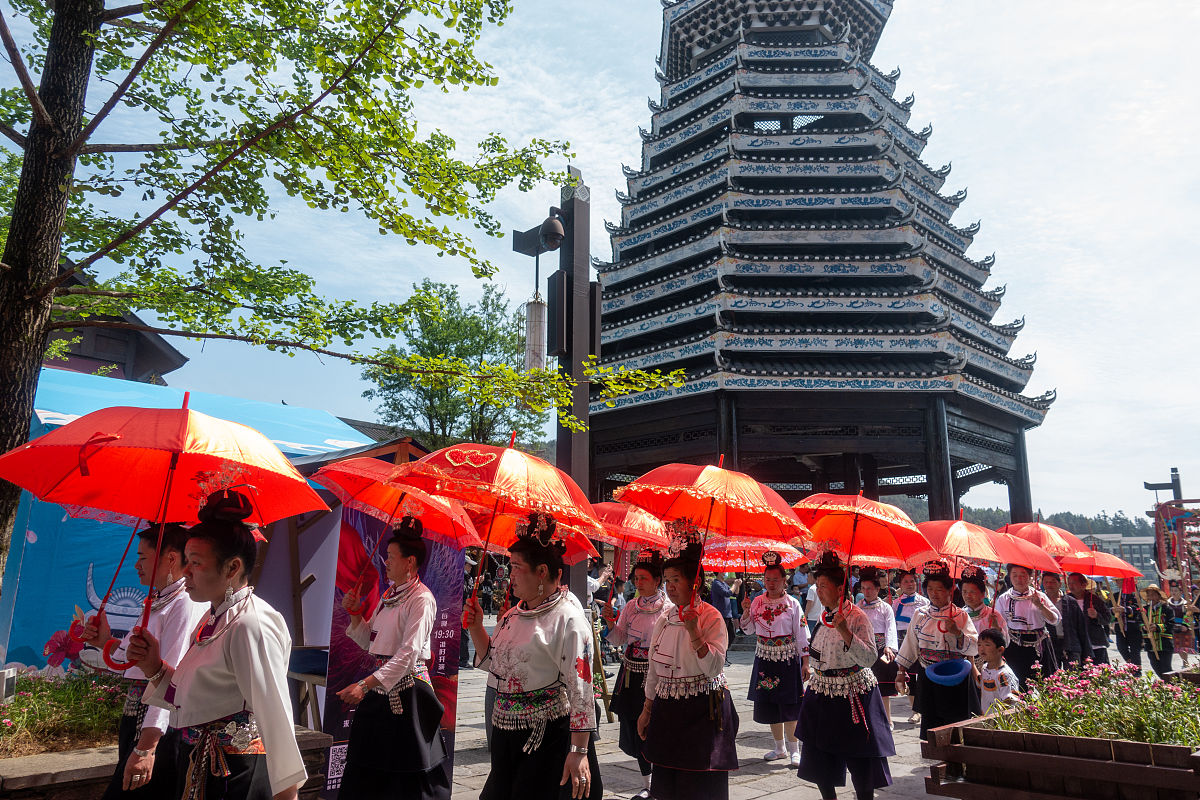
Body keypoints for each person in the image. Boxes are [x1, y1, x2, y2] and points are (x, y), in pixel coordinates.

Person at [126, 490, 306, 800]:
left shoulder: (252, 624)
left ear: (232, 568)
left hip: (237, 775)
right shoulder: (215, 617)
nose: (185, 572)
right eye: (187, 561)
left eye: (195, 563)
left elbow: (275, 718)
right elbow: (198, 695)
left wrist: (287, 794)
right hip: (206, 765)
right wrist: (154, 666)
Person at [463, 513, 600, 800]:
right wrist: (476, 627)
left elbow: (581, 691)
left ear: (542, 572)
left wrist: (579, 751)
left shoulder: (569, 621)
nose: (509, 575)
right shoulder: (513, 615)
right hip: (506, 734)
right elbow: (494, 663)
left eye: (516, 567)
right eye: (510, 566)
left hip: (545, 736)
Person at [80, 523, 206, 799]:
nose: (137, 565)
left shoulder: (184, 602)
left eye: (143, 557)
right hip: (138, 717)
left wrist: (147, 746)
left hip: (157, 724)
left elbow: (169, 679)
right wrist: (104, 641)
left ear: (171, 558)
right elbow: (132, 661)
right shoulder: (159, 599)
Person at [336, 517, 449, 799]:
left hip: (407, 694)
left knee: (406, 776)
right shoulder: (389, 595)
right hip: (379, 687)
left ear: (409, 562)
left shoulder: (422, 599)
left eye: (391, 557)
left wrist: (363, 685)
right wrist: (354, 613)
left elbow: (409, 654)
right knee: (367, 767)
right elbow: (370, 642)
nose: (386, 562)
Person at [637, 529, 739, 800]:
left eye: (676, 579)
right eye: (667, 580)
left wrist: (695, 632)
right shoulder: (665, 618)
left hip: (703, 710)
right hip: (668, 709)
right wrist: (647, 709)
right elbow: (654, 669)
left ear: (695, 582)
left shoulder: (712, 618)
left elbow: (714, 668)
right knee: (668, 785)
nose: (669, 586)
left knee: (698, 787)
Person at [795, 551, 895, 800]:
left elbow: (870, 658)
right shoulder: (822, 617)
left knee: (860, 757)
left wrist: (845, 631)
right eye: (817, 585)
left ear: (840, 588)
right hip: (823, 691)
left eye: (824, 586)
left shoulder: (857, 617)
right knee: (818, 756)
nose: (819, 591)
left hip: (853, 692)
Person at [601, 549, 672, 800]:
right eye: (636, 578)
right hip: (631, 674)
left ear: (657, 580)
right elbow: (620, 639)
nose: (638, 583)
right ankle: (647, 783)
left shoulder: (669, 607)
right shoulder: (631, 606)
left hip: (659, 675)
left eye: (643, 578)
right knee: (634, 725)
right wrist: (610, 623)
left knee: (657, 727)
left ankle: (663, 781)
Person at [895, 560, 979, 741]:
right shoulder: (920, 614)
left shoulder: (960, 615)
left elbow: (974, 648)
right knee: (932, 726)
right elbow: (910, 643)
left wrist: (957, 632)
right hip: (928, 675)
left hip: (955, 677)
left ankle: (955, 764)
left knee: (955, 726)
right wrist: (901, 672)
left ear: (950, 591)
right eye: (930, 589)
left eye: (939, 589)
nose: (934, 594)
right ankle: (936, 763)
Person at [740, 552, 809, 766]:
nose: (770, 584)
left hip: (787, 657)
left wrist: (805, 661)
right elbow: (749, 630)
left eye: (775, 580)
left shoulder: (793, 604)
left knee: (790, 705)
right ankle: (779, 748)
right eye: (767, 579)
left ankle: (794, 749)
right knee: (770, 704)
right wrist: (744, 613)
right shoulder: (757, 602)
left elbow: (801, 632)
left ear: (784, 581)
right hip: (765, 658)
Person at [993, 564, 1059, 689]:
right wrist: (995, 624)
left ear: (1030, 577)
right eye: (1015, 575)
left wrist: (1040, 606)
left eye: (1023, 575)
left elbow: (1054, 620)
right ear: (1010, 578)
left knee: (1042, 682)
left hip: (1039, 645)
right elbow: (999, 626)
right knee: (1016, 682)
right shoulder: (1003, 599)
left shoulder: (1040, 596)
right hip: (1013, 645)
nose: (1019, 579)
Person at [855, 568, 898, 730]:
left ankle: (888, 719)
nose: (866, 592)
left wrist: (889, 646)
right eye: (863, 588)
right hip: (862, 651)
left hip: (881, 650)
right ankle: (865, 718)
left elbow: (890, 628)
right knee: (862, 686)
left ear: (878, 589)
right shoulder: (857, 607)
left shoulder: (885, 607)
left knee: (882, 687)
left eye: (870, 588)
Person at [891, 570, 929, 724]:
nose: (909, 584)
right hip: (902, 641)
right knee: (910, 676)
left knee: (923, 674)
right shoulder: (895, 603)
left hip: (920, 641)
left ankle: (924, 708)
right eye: (905, 581)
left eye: (912, 581)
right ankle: (915, 710)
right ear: (900, 585)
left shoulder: (924, 602)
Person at [1041, 572, 1086, 667]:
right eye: (1046, 582)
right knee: (1052, 677)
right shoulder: (1039, 602)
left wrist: (1086, 652)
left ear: (1060, 584)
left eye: (1053, 582)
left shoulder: (1070, 601)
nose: (1049, 585)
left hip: (1070, 644)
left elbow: (1081, 627)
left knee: (1073, 677)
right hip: (1049, 645)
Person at [1066, 572, 1111, 664]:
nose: (1071, 586)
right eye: (1069, 583)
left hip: (1095, 644)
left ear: (1083, 585)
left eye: (1074, 583)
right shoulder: (1066, 600)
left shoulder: (1094, 600)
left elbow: (1108, 619)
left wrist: (1096, 615)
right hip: (1075, 645)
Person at [974, 629, 1019, 714]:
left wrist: (996, 719)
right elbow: (980, 683)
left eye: (987, 645)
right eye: (979, 645)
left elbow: (1009, 701)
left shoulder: (1004, 674)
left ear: (1000, 650)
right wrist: (972, 664)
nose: (982, 649)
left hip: (1001, 722)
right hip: (988, 720)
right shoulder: (984, 668)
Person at [962, 566, 1007, 646]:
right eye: (964, 592)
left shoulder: (994, 615)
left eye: (972, 592)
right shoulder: (960, 614)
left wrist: (996, 627)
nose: (968, 596)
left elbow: (1006, 642)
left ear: (983, 594)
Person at [1140, 584, 1175, 678]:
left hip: (1164, 644)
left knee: (1166, 669)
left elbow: (1171, 624)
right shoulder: (1145, 610)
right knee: (1155, 666)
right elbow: (1139, 622)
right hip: (1150, 644)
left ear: (1159, 596)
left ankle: (1172, 687)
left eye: (1153, 595)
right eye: (1149, 595)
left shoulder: (1167, 609)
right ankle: (1166, 685)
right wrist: (1144, 627)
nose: (1151, 597)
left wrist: (1157, 627)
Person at [708, 572, 742, 659]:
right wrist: (734, 584)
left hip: (728, 614)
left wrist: (737, 585)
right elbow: (727, 593)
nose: (725, 573)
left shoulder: (723, 584)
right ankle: (721, 655)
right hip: (721, 614)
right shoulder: (716, 583)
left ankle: (723, 653)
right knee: (722, 637)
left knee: (731, 635)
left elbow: (735, 594)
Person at [1166, 582, 1197, 667]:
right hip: (1173, 626)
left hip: (1183, 626)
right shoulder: (1167, 603)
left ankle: (1185, 662)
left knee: (1184, 646)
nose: (1173, 592)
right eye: (1172, 590)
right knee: (1177, 646)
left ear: (1180, 592)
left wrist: (1185, 625)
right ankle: (1184, 661)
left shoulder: (1185, 603)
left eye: (1176, 590)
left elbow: (1188, 614)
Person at [1113, 589, 1144, 671]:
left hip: (1133, 628)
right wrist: (1113, 610)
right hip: (1120, 627)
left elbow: (1137, 608)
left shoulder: (1134, 595)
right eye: (1117, 581)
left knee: (1135, 649)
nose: (1119, 582)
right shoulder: (1114, 596)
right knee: (1121, 647)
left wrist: (1125, 609)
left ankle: (1137, 670)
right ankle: (1131, 664)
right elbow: (1109, 609)